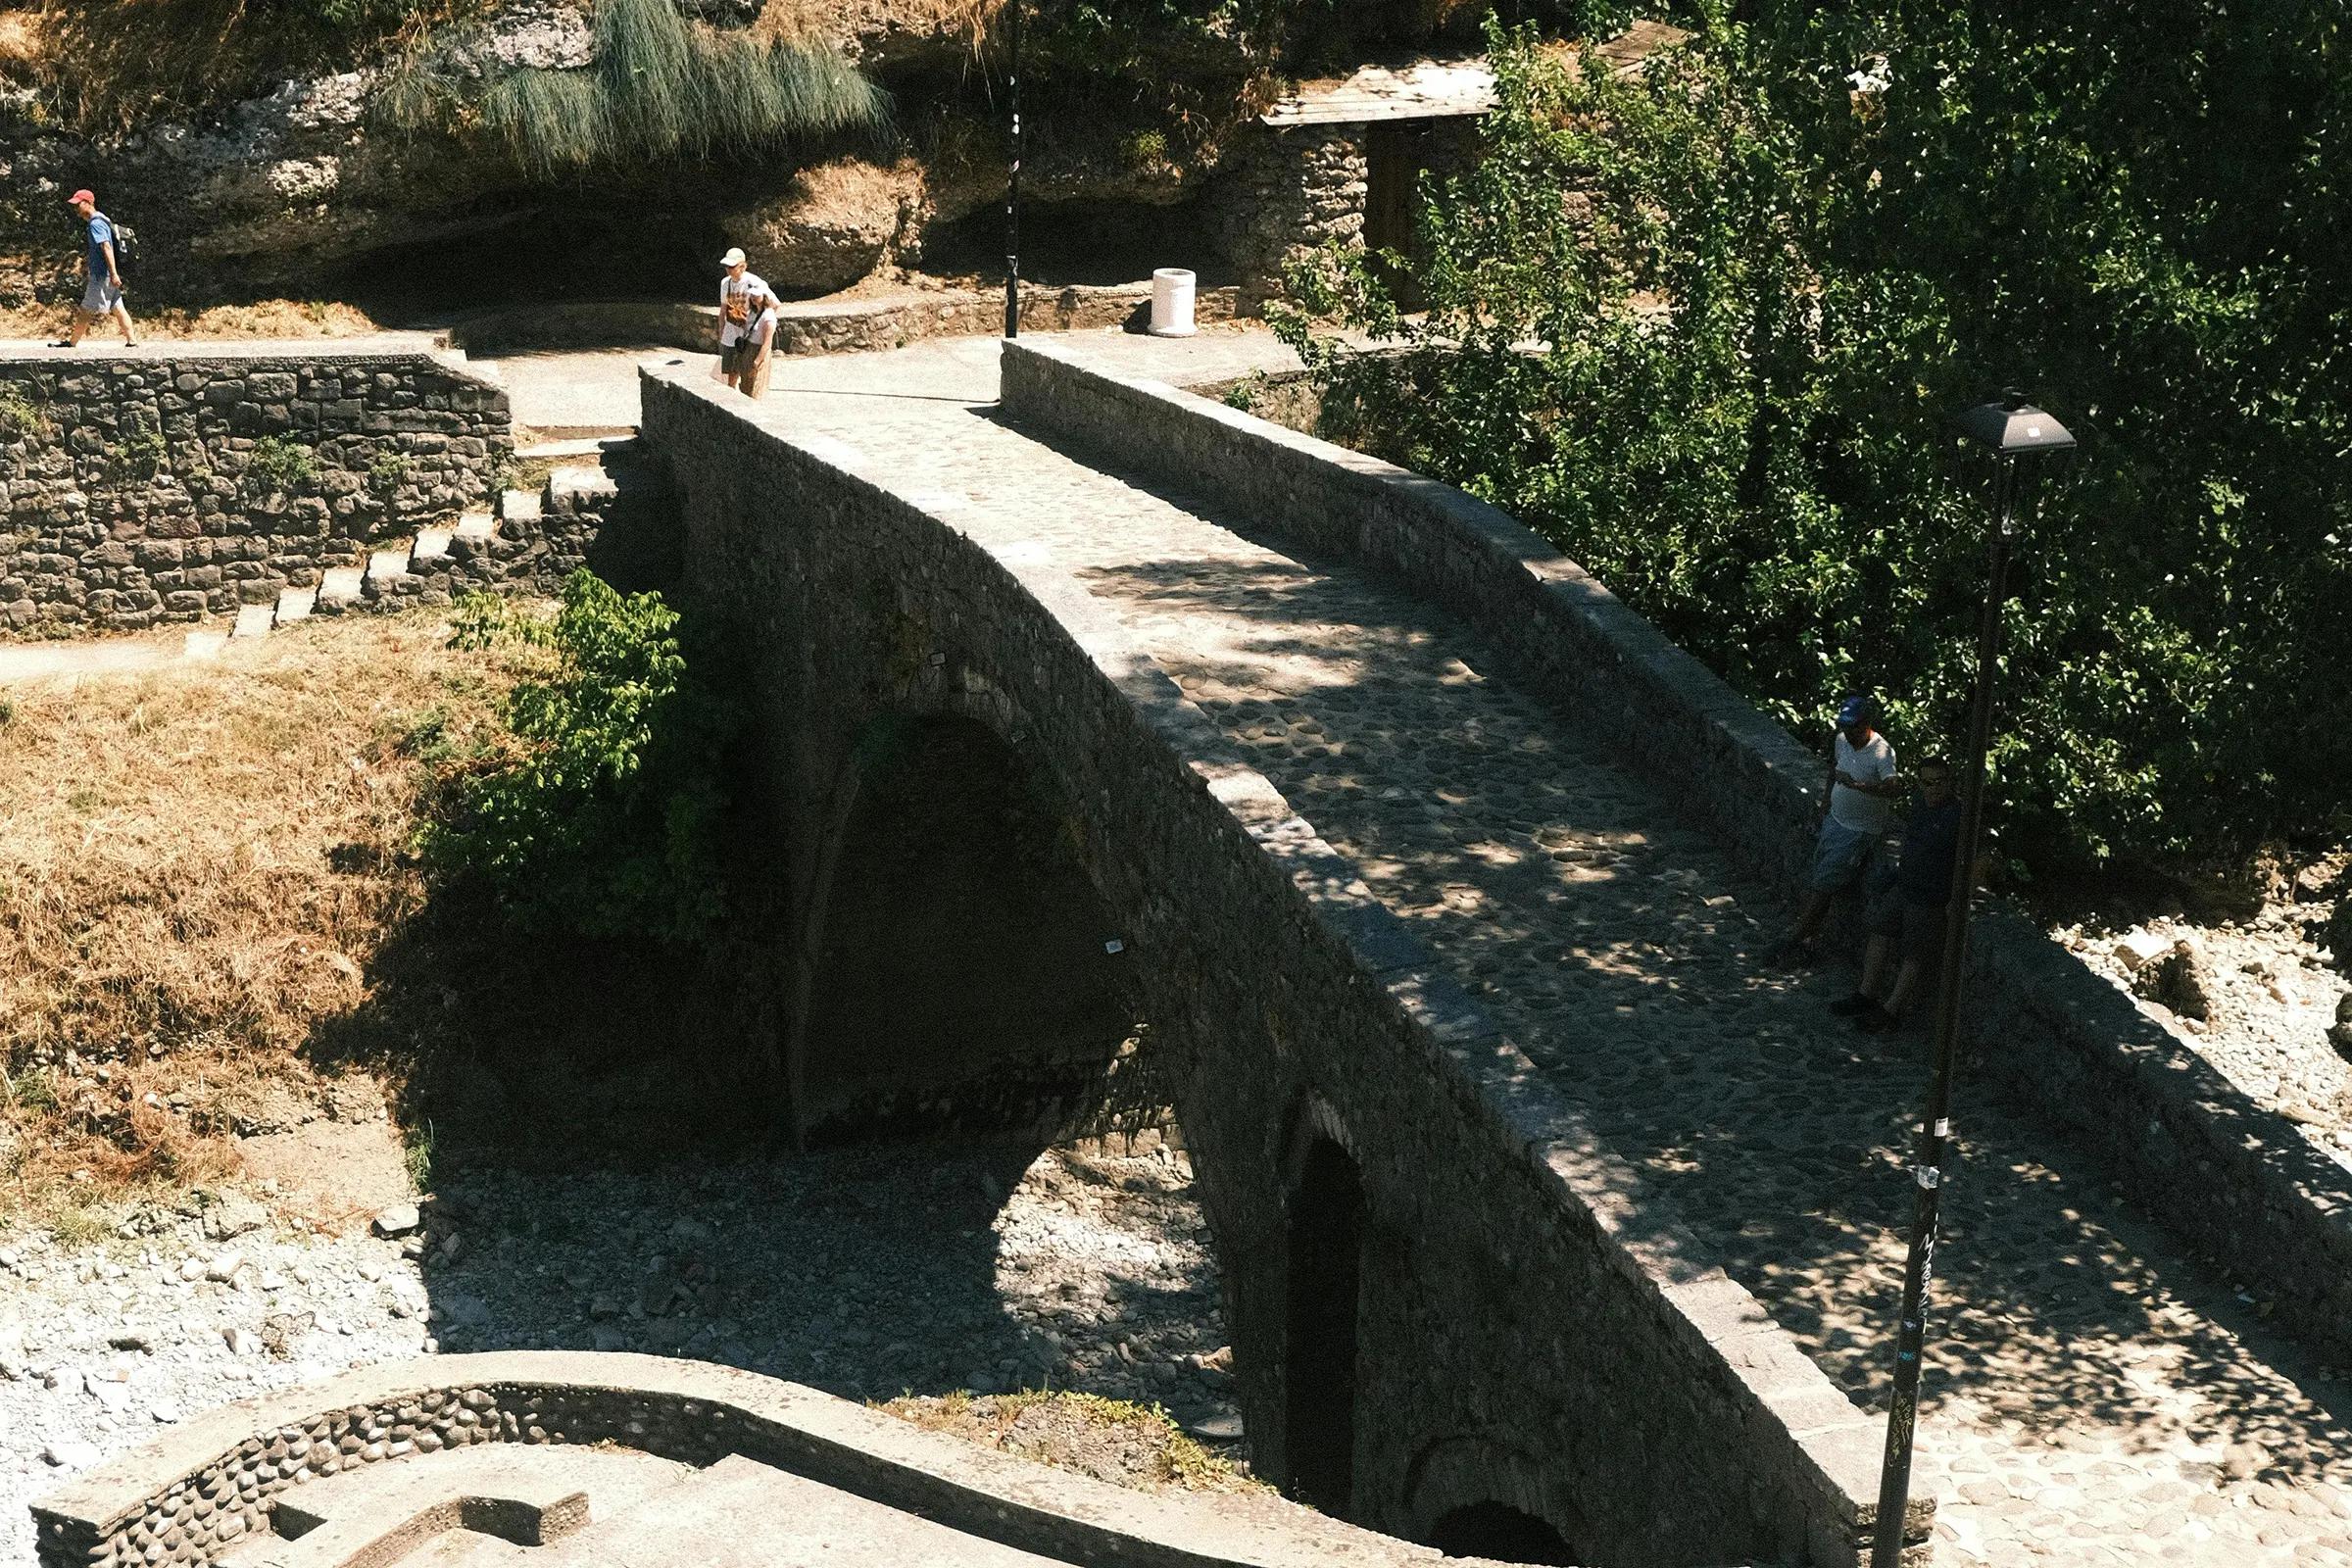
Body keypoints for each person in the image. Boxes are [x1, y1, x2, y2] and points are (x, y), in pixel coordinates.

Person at [1831, 758, 1964, 1032]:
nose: (1934, 788)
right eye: (1928, 782)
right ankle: (1866, 994)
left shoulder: (1958, 815)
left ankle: (1891, 1010)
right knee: (1879, 931)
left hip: (1930, 896)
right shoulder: (1919, 803)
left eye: (1940, 782)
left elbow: (1979, 858)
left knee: (1913, 955)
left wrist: (1959, 898)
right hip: (1904, 885)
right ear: (1920, 783)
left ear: (1950, 782)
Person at [1770, 694, 1902, 963]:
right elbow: (1835, 769)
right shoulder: (1842, 741)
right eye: (1844, 726)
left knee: (1824, 883)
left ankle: (1795, 937)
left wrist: (1859, 786)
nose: (1848, 732)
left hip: (1859, 831)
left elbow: (1893, 788)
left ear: (1866, 723)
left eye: (1853, 726)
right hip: (1835, 821)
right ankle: (1807, 942)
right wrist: (1827, 802)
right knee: (1821, 876)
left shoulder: (1882, 752)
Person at [60, 189, 138, 349]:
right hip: (107, 274)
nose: (76, 208)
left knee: (86, 309)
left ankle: (72, 342)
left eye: (78, 204)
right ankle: (132, 340)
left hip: (102, 275)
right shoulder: (103, 219)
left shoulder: (96, 223)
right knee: (118, 307)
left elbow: (106, 247)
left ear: (88, 203)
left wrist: (113, 274)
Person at [716, 247, 765, 389]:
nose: (728, 269)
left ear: (743, 266)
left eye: (732, 266)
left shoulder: (753, 282)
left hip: (748, 334)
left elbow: (769, 305)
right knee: (727, 373)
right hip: (730, 333)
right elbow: (723, 309)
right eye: (726, 266)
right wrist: (721, 331)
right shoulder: (725, 283)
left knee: (745, 373)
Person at [736, 283, 779, 399]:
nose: (753, 298)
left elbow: (767, 343)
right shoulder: (753, 313)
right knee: (745, 387)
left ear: (764, 296)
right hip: (748, 350)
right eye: (752, 295)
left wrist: (756, 362)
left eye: (757, 295)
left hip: (758, 352)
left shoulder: (768, 316)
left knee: (756, 388)